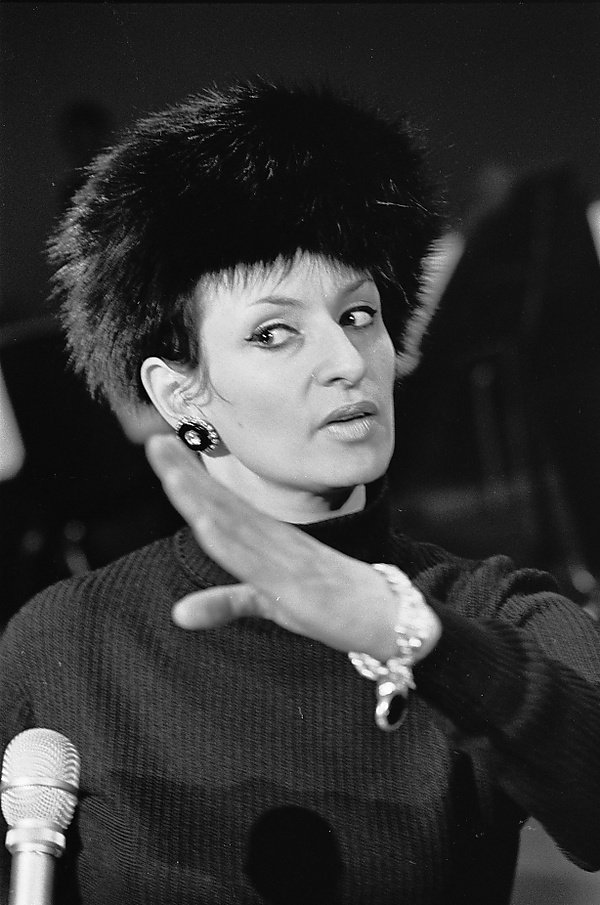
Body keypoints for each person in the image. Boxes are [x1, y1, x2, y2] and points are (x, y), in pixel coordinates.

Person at [1, 78, 599, 905]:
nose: (348, 362)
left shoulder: (490, 610)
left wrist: (415, 637)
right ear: (180, 393)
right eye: (275, 332)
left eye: (358, 315)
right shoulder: (65, 643)